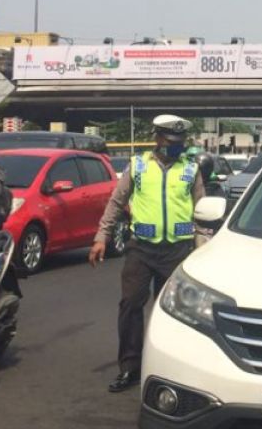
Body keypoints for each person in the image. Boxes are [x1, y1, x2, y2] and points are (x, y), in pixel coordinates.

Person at [89, 114, 206, 393]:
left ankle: (176, 369)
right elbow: (116, 203)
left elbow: (202, 211)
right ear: (157, 139)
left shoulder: (190, 169)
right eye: (169, 142)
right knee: (130, 306)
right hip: (141, 248)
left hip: (178, 250)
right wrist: (101, 237)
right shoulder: (138, 166)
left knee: (177, 312)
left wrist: (204, 248)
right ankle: (130, 367)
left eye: (179, 142)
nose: (175, 147)